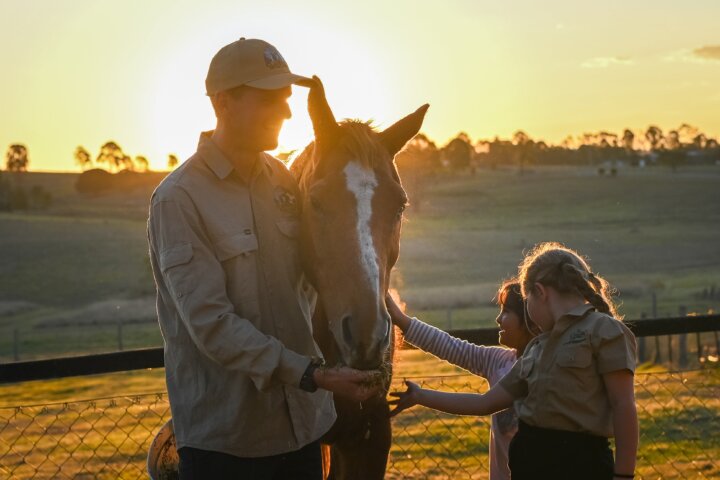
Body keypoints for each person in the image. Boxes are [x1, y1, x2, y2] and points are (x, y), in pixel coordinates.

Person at [147, 37, 380, 480]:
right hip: (229, 441)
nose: (287, 113)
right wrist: (314, 375)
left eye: (287, 99)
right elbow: (211, 325)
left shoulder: (286, 183)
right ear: (223, 103)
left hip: (303, 429)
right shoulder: (178, 200)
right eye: (270, 99)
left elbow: (320, 275)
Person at [389, 242, 638, 480]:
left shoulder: (604, 331)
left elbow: (623, 404)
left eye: (526, 300)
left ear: (539, 292)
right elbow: (485, 403)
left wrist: (624, 474)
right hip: (530, 468)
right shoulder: (536, 349)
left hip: (580, 467)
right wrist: (421, 396)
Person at [385, 280, 538, 480]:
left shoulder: (546, 368)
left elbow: (483, 404)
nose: (498, 319)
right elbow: (450, 346)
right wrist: (400, 319)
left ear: (529, 320)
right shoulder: (499, 362)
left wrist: (420, 395)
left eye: (507, 312)